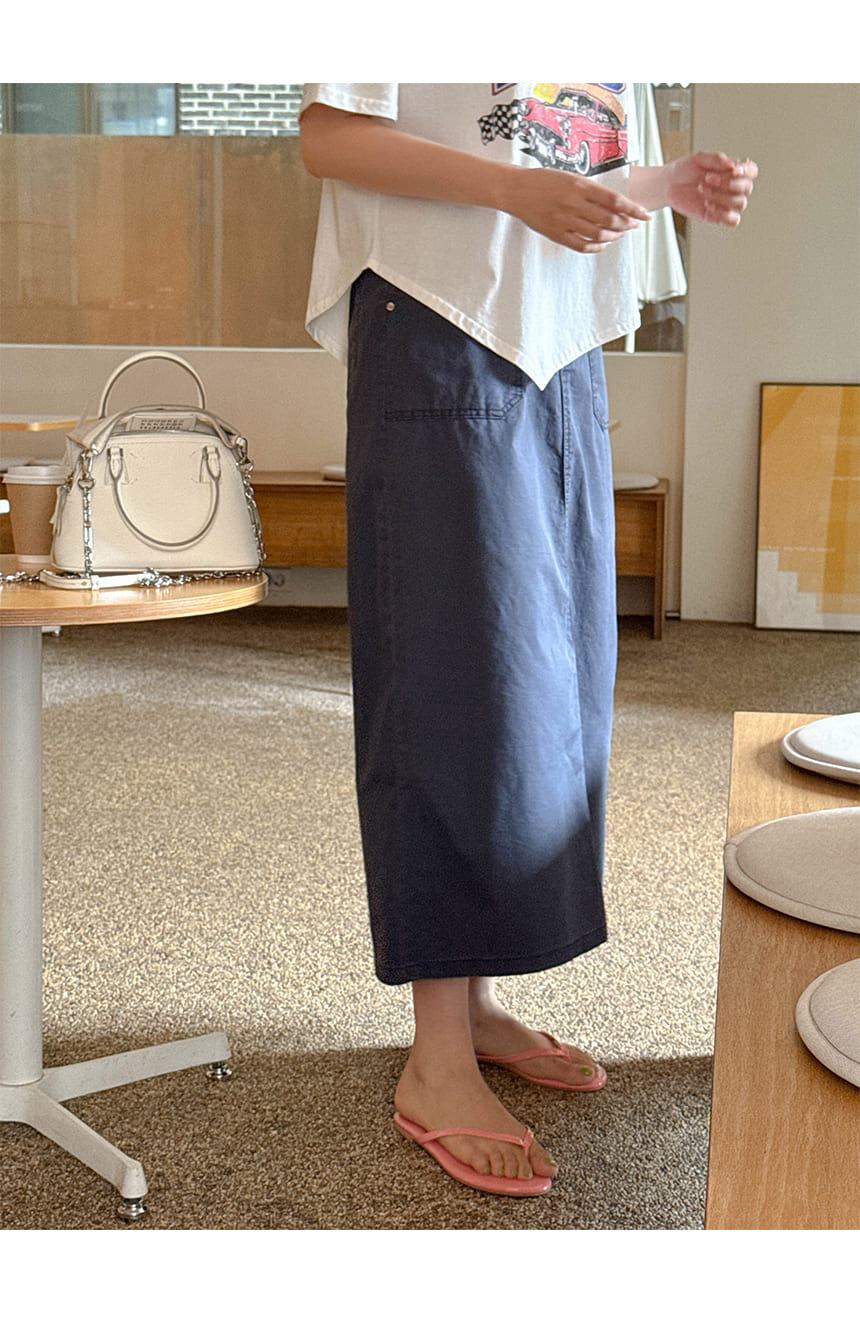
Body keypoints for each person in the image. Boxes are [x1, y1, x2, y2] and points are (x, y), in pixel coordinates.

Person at [299, 83, 757, 1197]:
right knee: (449, 682)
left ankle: (479, 1000)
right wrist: (513, 192)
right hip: (435, 320)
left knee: (547, 689)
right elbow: (330, 136)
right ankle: (435, 1056)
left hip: (555, 343)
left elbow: (576, 167)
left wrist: (663, 184)